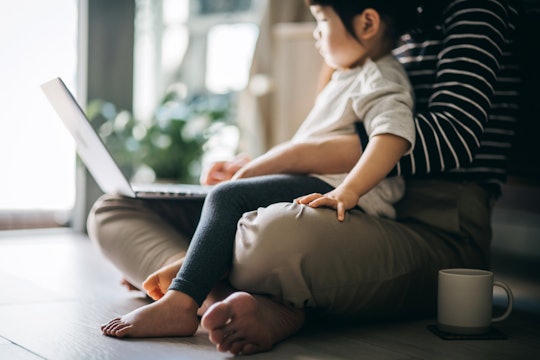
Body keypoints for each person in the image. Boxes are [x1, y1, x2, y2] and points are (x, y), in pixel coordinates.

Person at [89, 0, 521, 356]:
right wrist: (258, 166)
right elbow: (329, 140)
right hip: (336, 197)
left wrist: (287, 163)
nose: (317, 32)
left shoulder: (458, 21)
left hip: (425, 221)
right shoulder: (367, 49)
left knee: (268, 232)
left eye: (320, 21)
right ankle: (228, 297)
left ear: (368, 23)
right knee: (115, 208)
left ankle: (191, 286)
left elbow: (440, 137)